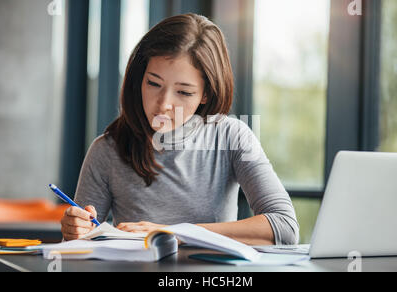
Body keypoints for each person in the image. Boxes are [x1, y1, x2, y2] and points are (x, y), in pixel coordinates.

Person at [60, 13, 299, 246]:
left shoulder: (231, 136)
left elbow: (285, 227)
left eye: (183, 92)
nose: (163, 104)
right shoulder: (107, 151)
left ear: (206, 94)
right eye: (153, 83)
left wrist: (174, 233)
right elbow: (77, 249)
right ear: (139, 78)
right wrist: (75, 232)